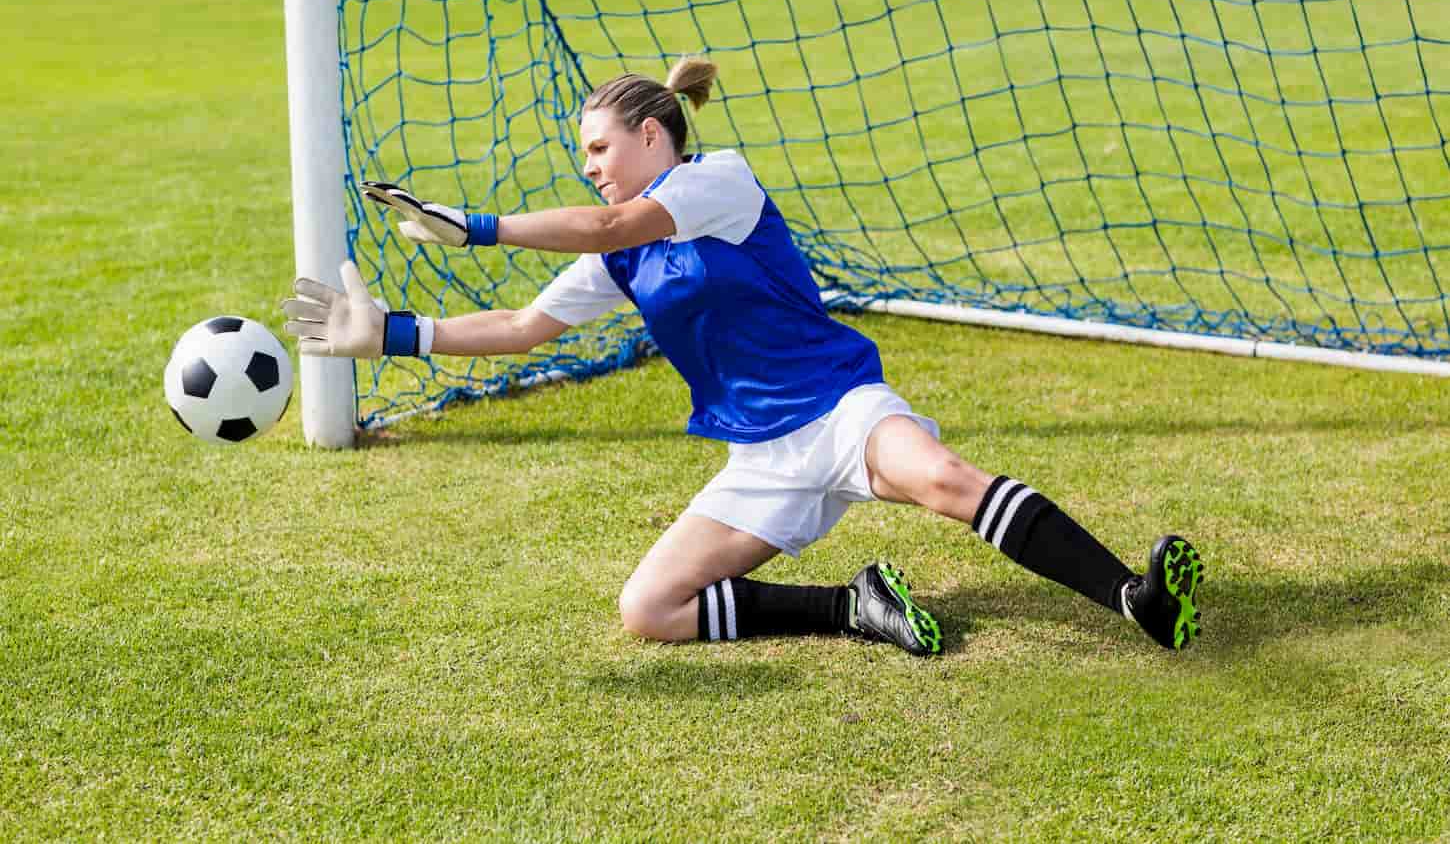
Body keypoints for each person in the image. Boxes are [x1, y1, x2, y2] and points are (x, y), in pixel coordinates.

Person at [281, 56, 1205, 657]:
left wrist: (479, 227)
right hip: (760, 456)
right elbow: (526, 327)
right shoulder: (624, 255)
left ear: (656, 135)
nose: (591, 165)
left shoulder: (716, 183)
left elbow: (609, 218)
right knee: (649, 607)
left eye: (600, 147)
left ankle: (1135, 597)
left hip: (839, 405)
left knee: (944, 477)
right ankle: (853, 607)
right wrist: (392, 334)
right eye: (583, 155)